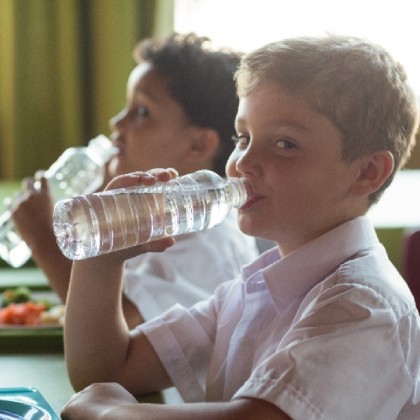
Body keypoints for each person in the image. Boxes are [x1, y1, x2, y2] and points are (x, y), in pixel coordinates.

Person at [61, 34, 420, 419]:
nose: (241, 163)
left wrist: (110, 414)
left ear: (367, 172)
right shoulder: (254, 289)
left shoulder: (363, 305)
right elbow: (110, 368)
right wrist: (101, 260)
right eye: (243, 138)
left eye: (284, 144)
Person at [11, 32, 258, 328]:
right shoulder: (158, 212)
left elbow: (121, 333)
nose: (117, 122)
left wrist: (44, 240)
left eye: (142, 111)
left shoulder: (208, 242)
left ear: (199, 145)